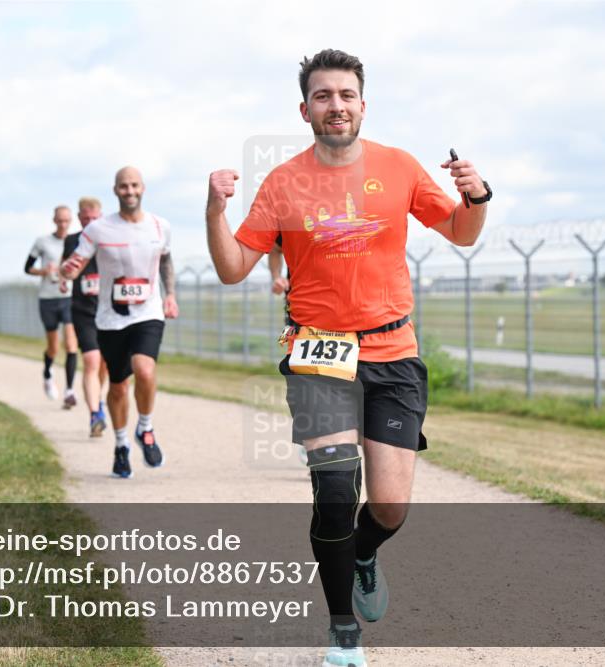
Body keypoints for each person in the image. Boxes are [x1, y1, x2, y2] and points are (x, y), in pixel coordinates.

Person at [205, 49, 491, 667]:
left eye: (346, 94)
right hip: (318, 356)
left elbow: (463, 233)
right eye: (323, 96)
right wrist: (214, 211)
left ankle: (363, 554)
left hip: (394, 351)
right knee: (335, 492)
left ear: (363, 104)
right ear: (304, 108)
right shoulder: (283, 181)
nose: (335, 105)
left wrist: (477, 197)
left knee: (389, 506)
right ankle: (343, 634)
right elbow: (232, 269)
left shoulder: (399, 166)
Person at [61, 167, 179, 479]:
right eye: (123, 186)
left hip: (148, 312)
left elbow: (166, 260)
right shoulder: (99, 229)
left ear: (143, 188)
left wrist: (170, 296)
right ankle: (121, 444)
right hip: (110, 319)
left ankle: (145, 427)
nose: (129, 191)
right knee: (117, 387)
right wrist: (67, 273)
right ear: (115, 190)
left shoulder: (159, 226)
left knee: (145, 369)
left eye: (134, 185)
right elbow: (77, 261)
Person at [62, 197, 110, 437]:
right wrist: (64, 280)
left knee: (104, 366)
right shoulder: (72, 241)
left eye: (95, 219)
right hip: (83, 311)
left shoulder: (110, 239)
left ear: (100, 217)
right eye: (86, 219)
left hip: (109, 311)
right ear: (79, 218)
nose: (91, 222)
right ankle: (95, 415)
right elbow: (66, 267)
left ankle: (98, 401)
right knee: (91, 361)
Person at [26, 205, 79, 406]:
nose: (63, 224)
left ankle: (69, 391)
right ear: (54, 220)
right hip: (48, 298)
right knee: (53, 347)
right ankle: (47, 374)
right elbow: (27, 268)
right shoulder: (42, 242)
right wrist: (43, 272)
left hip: (68, 297)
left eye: (66, 221)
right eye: (60, 220)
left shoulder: (76, 242)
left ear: (70, 221)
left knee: (72, 344)